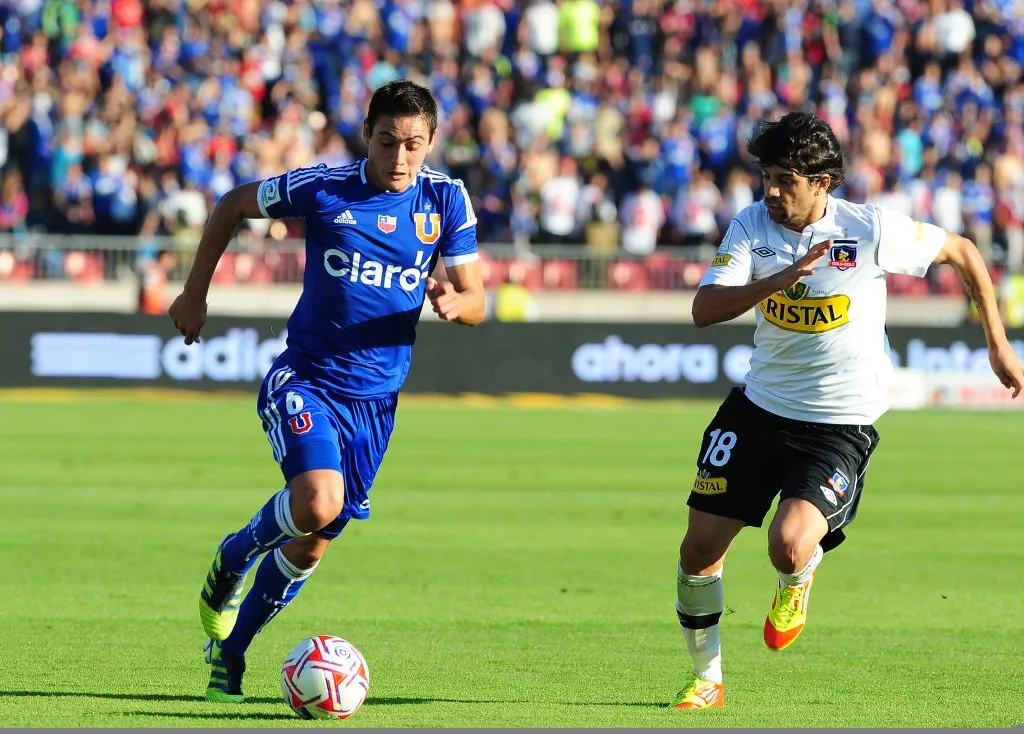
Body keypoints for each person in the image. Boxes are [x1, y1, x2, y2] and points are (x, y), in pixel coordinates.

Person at [670, 112, 1024, 710]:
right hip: (757, 409)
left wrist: (998, 342)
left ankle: (797, 578)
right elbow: (705, 309)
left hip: (838, 422)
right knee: (698, 550)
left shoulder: (869, 229)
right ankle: (707, 680)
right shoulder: (751, 225)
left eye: (786, 180)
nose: (772, 191)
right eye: (767, 177)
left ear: (823, 182)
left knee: (787, 544)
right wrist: (781, 278)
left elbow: (962, 252)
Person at [168, 80, 485, 703]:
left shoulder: (445, 198)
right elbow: (232, 204)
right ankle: (233, 557)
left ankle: (230, 655)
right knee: (315, 502)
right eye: (388, 141)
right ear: (367, 135)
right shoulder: (324, 187)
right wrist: (194, 293)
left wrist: (456, 301)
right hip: (306, 378)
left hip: (377, 402)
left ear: (431, 144)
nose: (400, 157)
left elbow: (477, 299)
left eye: (414, 145)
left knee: (314, 541)